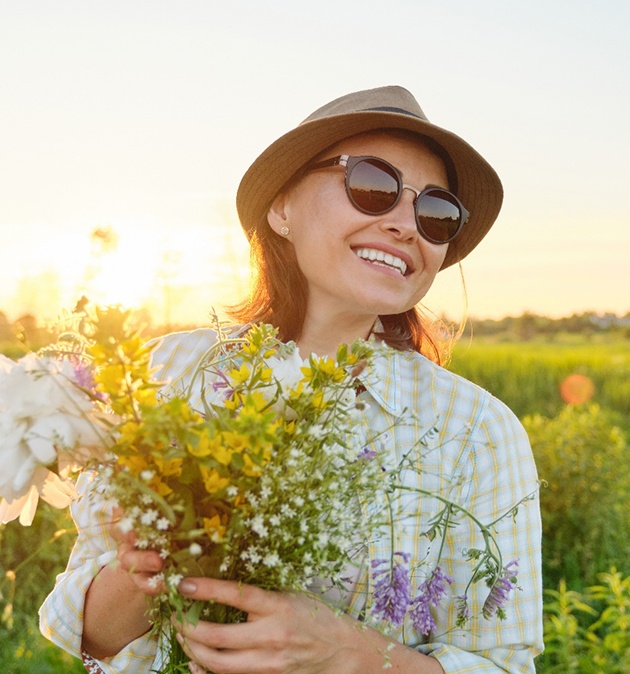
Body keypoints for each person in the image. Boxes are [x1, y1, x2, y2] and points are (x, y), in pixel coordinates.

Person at [40, 85, 543, 673]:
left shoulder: (476, 429)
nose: (407, 224)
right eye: (374, 186)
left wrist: (348, 655)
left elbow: (505, 665)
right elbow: (92, 637)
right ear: (281, 208)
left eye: (437, 213)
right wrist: (145, 566)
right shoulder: (163, 373)